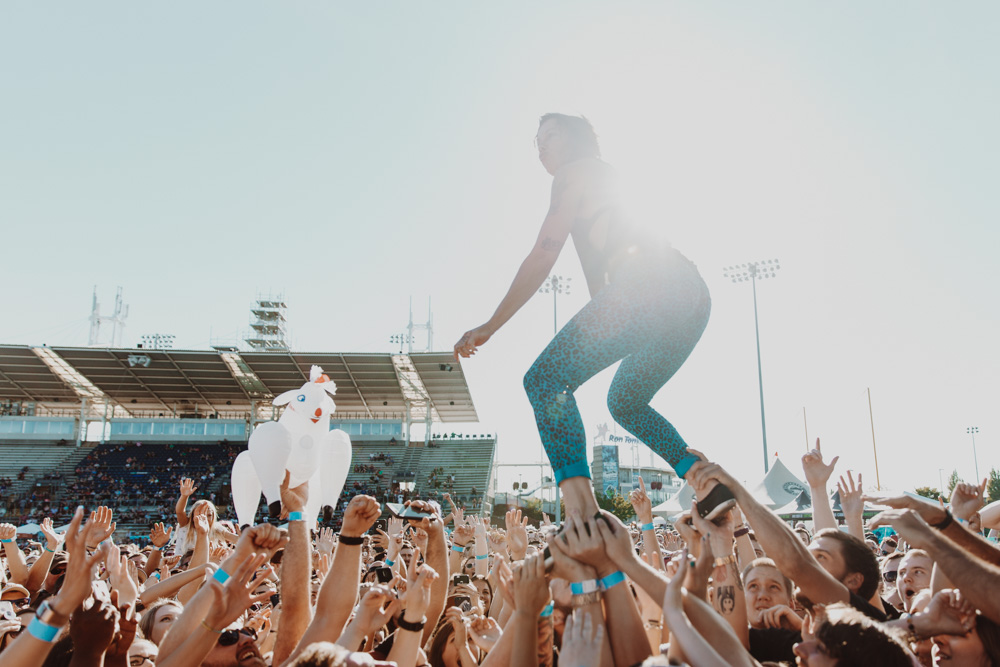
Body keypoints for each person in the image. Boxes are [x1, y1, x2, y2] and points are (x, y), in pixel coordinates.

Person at [454, 113, 732, 521]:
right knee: (625, 401)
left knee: (545, 379)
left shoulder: (571, 174)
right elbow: (604, 289)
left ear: (575, 138)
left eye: (549, 135)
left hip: (648, 287)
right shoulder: (609, 178)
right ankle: (706, 482)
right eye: (536, 141)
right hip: (690, 296)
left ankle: (582, 514)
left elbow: (544, 253)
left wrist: (491, 325)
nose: (541, 146)